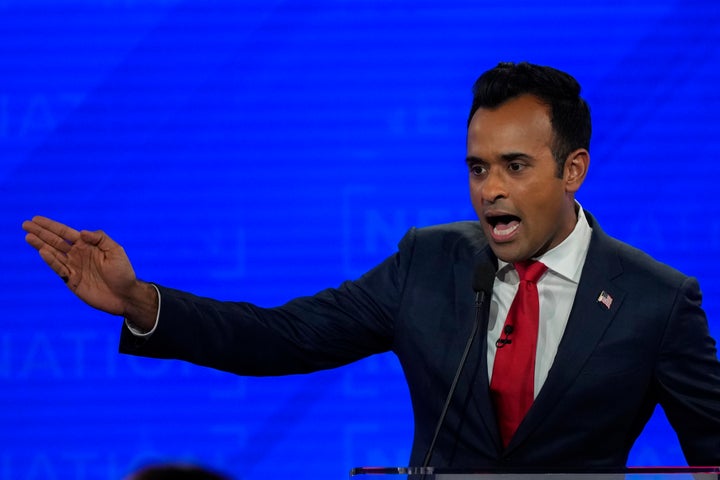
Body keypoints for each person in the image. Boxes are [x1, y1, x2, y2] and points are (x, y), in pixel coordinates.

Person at [23, 62, 720, 469]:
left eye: (515, 166)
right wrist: (143, 302)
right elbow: (284, 337)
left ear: (573, 171)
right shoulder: (429, 263)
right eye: (478, 168)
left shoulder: (655, 300)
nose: (490, 191)